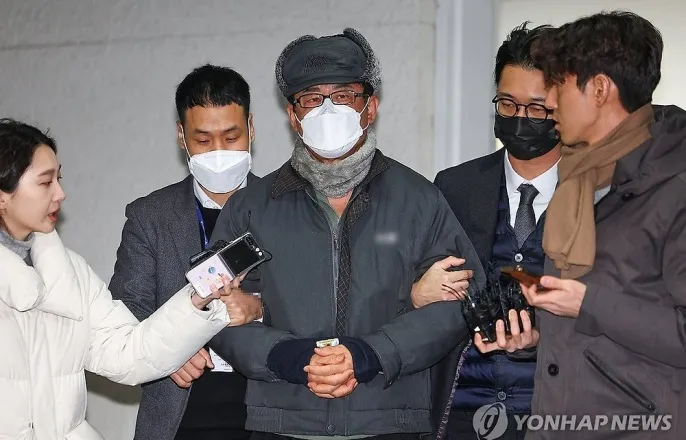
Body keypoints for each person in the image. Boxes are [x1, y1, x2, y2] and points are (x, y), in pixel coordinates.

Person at [205, 28, 485, 439]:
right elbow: (211, 303)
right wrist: (285, 355)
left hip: (388, 420)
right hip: (283, 421)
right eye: (311, 98)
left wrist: (372, 353)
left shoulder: (418, 200)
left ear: (370, 108)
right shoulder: (252, 208)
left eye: (343, 96)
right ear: (293, 116)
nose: (327, 110)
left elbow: (464, 297)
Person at [0, 119, 231, 440]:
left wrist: (196, 299)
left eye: (59, 178)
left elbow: (128, 353)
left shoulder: (70, 272)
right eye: (45, 182)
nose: (61, 194)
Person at [519, 11, 686, 439]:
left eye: (558, 84)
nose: (548, 101)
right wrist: (534, 337)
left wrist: (588, 304)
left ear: (599, 89)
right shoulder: (580, 177)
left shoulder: (674, 186)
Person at [412, 23, 558, 440]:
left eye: (537, 109)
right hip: (460, 408)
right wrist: (417, 292)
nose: (520, 119)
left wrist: (541, 338)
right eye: (507, 104)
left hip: (553, 410)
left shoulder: (598, 194)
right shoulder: (455, 187)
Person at [109, 64, 262, 440]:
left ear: (251, 128)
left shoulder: (288, 207)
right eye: (203, 140)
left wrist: (260, 308)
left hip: (269, 417)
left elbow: (318, 306)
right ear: (181, 136)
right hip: (179, 420)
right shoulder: (150, 216)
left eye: (231, 137)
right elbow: (125, 309)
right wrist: (167, 350)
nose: (219, 151)